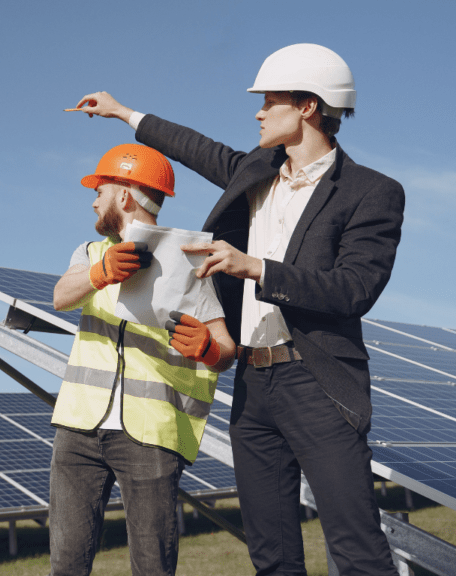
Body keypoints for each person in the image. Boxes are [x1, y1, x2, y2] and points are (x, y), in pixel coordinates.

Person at [71, 43, 405, 575]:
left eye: (270, 101)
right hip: (253, 384)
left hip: (317, 382)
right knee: (271, 555)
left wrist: (256, 268)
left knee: (357, 548)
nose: (258, 112)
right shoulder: (256, 172)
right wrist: (123, 111)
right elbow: (195, 147)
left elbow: (354, 289)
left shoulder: (371, 192)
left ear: (308, 107)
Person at [49, 143, 236, 576]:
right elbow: (60, 296)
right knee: (66, 565)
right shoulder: (90, 254)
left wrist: (208, 348)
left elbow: (225, 350)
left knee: (152, 566)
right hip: (78, 429)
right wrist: (101, 274)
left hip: (151, 435)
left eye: (101, 188)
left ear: (126, 195)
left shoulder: (191, 263)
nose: (94, 198)